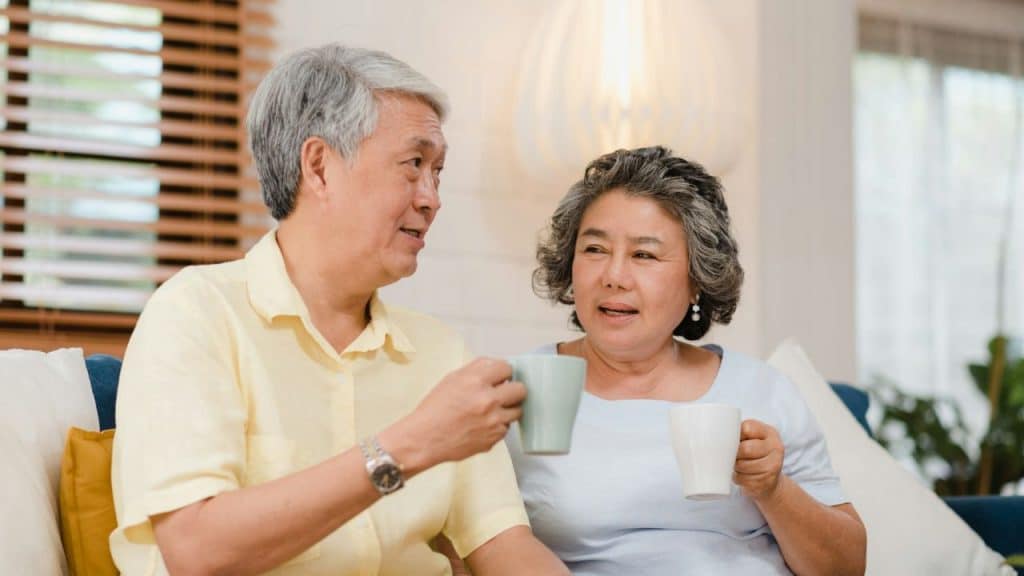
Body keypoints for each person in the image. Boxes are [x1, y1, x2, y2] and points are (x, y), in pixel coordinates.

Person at [109, 44, 568, 576]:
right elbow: (196, 551)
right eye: (414, 164)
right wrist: (409, 444)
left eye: (438, 171)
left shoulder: (440, 353)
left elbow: (504, 546)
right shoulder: (196, 315)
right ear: (320, 167)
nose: (432, 198)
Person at [506, 146, 867, 575]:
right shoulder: (518, 391)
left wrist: (773, 489)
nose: (614, 276)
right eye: (595, 249)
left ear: (698, 279)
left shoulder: (762, 390)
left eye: (644, 255)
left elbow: (847, 568)